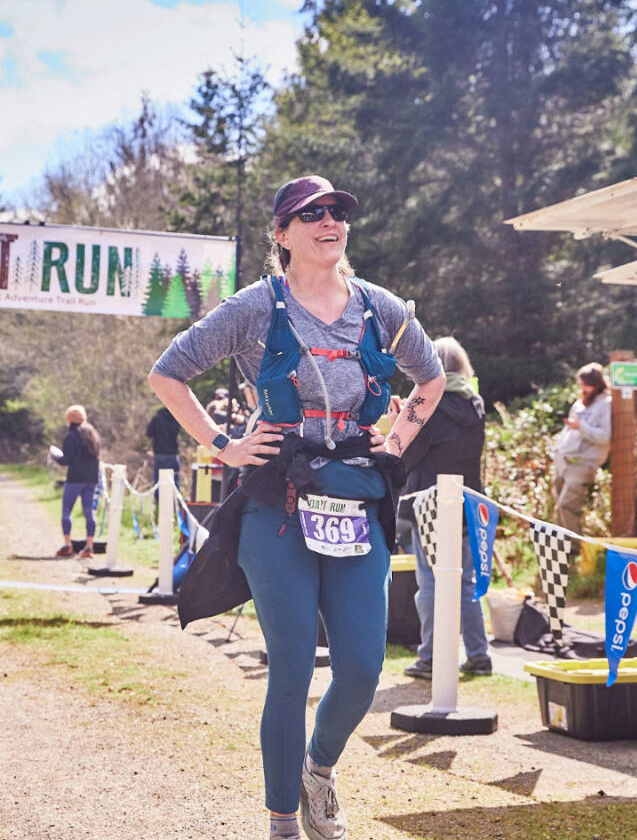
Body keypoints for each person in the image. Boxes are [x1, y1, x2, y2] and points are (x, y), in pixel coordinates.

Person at [148, 174, 445, 840]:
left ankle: (318, 768)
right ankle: (284, 821)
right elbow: (167, 373)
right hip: (275, 506)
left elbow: (432, 376)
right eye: (309, 214)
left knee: (364, 668)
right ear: (282, 235)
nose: (328, 220)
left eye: (337, 210)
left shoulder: (380, 307)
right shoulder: (255, 306)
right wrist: (224, 445)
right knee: (289, 668)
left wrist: (396, 440)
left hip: (357, 501)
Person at [392, 337, 492, 680]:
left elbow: (409, 455)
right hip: (466, 500)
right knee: (465, 582)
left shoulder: (429, 406)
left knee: (430, 583)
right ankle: (479, 654)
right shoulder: (474, 403)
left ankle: (431, 656)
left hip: (428, 503)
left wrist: (398, 422)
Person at [550, 362, 613, 534]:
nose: (582, 388)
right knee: (559, 507)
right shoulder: (580, 402)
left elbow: (606, 437)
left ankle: (574, 548)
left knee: (567, 506)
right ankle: (562, 546)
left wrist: (581, 427)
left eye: (586, 385)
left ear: (597, 384)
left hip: (582, 464)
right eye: (581, 384)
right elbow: (571, 429)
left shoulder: (607, 404)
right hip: (563, 461)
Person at [50, 405, 102, 559]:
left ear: (69, 419)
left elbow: (66, 460)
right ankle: (89, 547)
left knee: (66, 511)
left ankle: (67, 545)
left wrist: (54, 455)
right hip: (91, 479)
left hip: (75, 479)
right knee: (89, 512)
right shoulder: (93, 434)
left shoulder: (71, 436)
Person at [146, 405, 182, 490]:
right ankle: (176, 500)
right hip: (173, 454)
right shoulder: (176, 418)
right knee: (174, 479)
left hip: (160, 453)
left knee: (158, 480)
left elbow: (149, 433)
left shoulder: (157, 418)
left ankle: (158, 500)